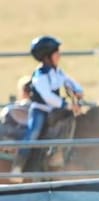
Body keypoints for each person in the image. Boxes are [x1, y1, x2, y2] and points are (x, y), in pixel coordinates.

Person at [11, 36, 83, 174]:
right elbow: (48, 97)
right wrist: (66, 105)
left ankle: (59, 154)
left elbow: (69, 81)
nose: (59, 55)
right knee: (33, 133)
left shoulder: (57, 72)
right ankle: (18, 165)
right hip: (41, 110)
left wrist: (78, 90)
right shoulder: (40, 76)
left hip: (55, 110)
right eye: (56, 53)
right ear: (47, 56)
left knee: (69, 124)